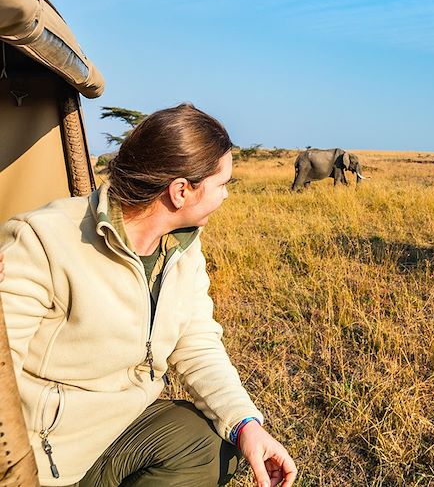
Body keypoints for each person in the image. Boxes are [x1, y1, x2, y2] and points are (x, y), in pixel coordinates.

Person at [0, 104, 297, 487]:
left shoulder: (181, 247)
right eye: (222, 184)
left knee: (213, 445)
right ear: (181, 191)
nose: (225, 195)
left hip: (120, 427)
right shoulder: (42, 241)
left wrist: (245, 425)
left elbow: (197, 343)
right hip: (49, 456)